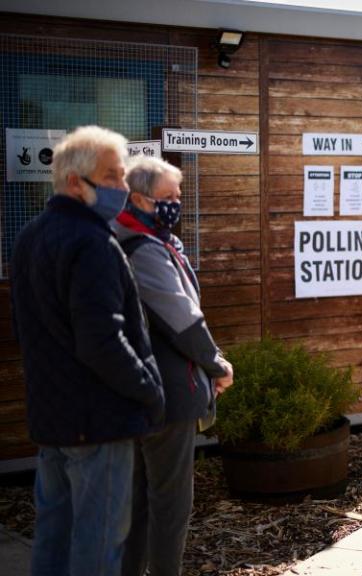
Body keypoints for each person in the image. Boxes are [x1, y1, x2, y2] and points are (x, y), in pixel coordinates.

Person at [10, 126, 165, 576]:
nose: (123, 187)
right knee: (98, 547)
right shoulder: (93, 242)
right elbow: (102, 341)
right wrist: (150, 391)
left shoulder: (31, 235)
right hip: (99, 424)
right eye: (114, 177)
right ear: (76, 182)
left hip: (52, 422)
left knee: (53, 540)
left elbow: (27, 329)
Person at [114, 156, 234, 576]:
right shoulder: (141, 248)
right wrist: (216, 363)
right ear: (138, 198)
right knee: (169, 505)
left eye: (178, 195)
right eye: (168, 196)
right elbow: (180, 317)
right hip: (166, 393)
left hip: (142, 391)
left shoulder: (148, 240)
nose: (177, 203)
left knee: (140, 502)